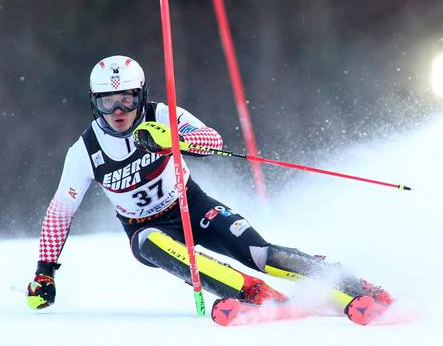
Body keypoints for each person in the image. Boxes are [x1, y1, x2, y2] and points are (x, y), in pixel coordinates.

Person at [26, 55, 392, 311]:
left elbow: (212, 140)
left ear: (142, 96)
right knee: (154, 243)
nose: (119, 111)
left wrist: (174, 140)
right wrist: (45, 271)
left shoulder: (163, 116)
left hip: (191, 204)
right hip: (143, 227)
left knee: (260, 254)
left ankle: (346, 282)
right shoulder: (84, 150)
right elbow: (60, 213)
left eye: (127, 99)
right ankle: (254, 295)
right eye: (108, 103)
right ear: (95, 104)